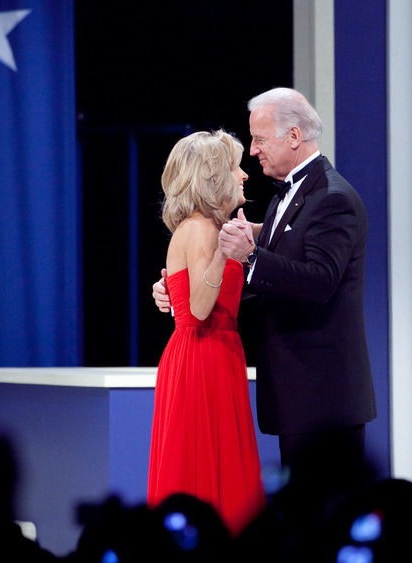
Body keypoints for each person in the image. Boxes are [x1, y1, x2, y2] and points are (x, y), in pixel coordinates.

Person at [153, 88, 376, 474]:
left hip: (323, 397)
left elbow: (320, 281)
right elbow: (268, 275)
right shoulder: (283, 198)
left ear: (293, 137)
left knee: (327, 518)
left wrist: (247, 255)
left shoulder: (332, 198)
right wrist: (180, 289)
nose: (253, 152)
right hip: (292, 394)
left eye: (259, 139)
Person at [147, 130, 264, 536]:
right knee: (202, 472)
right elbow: (198, 310)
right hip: (202, 355)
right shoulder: (200, 230)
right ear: (214, 177)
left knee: (219, 470)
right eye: (236, 167)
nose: (244, 175)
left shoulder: (211, 227)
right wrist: (222, 255)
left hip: (216, 353)